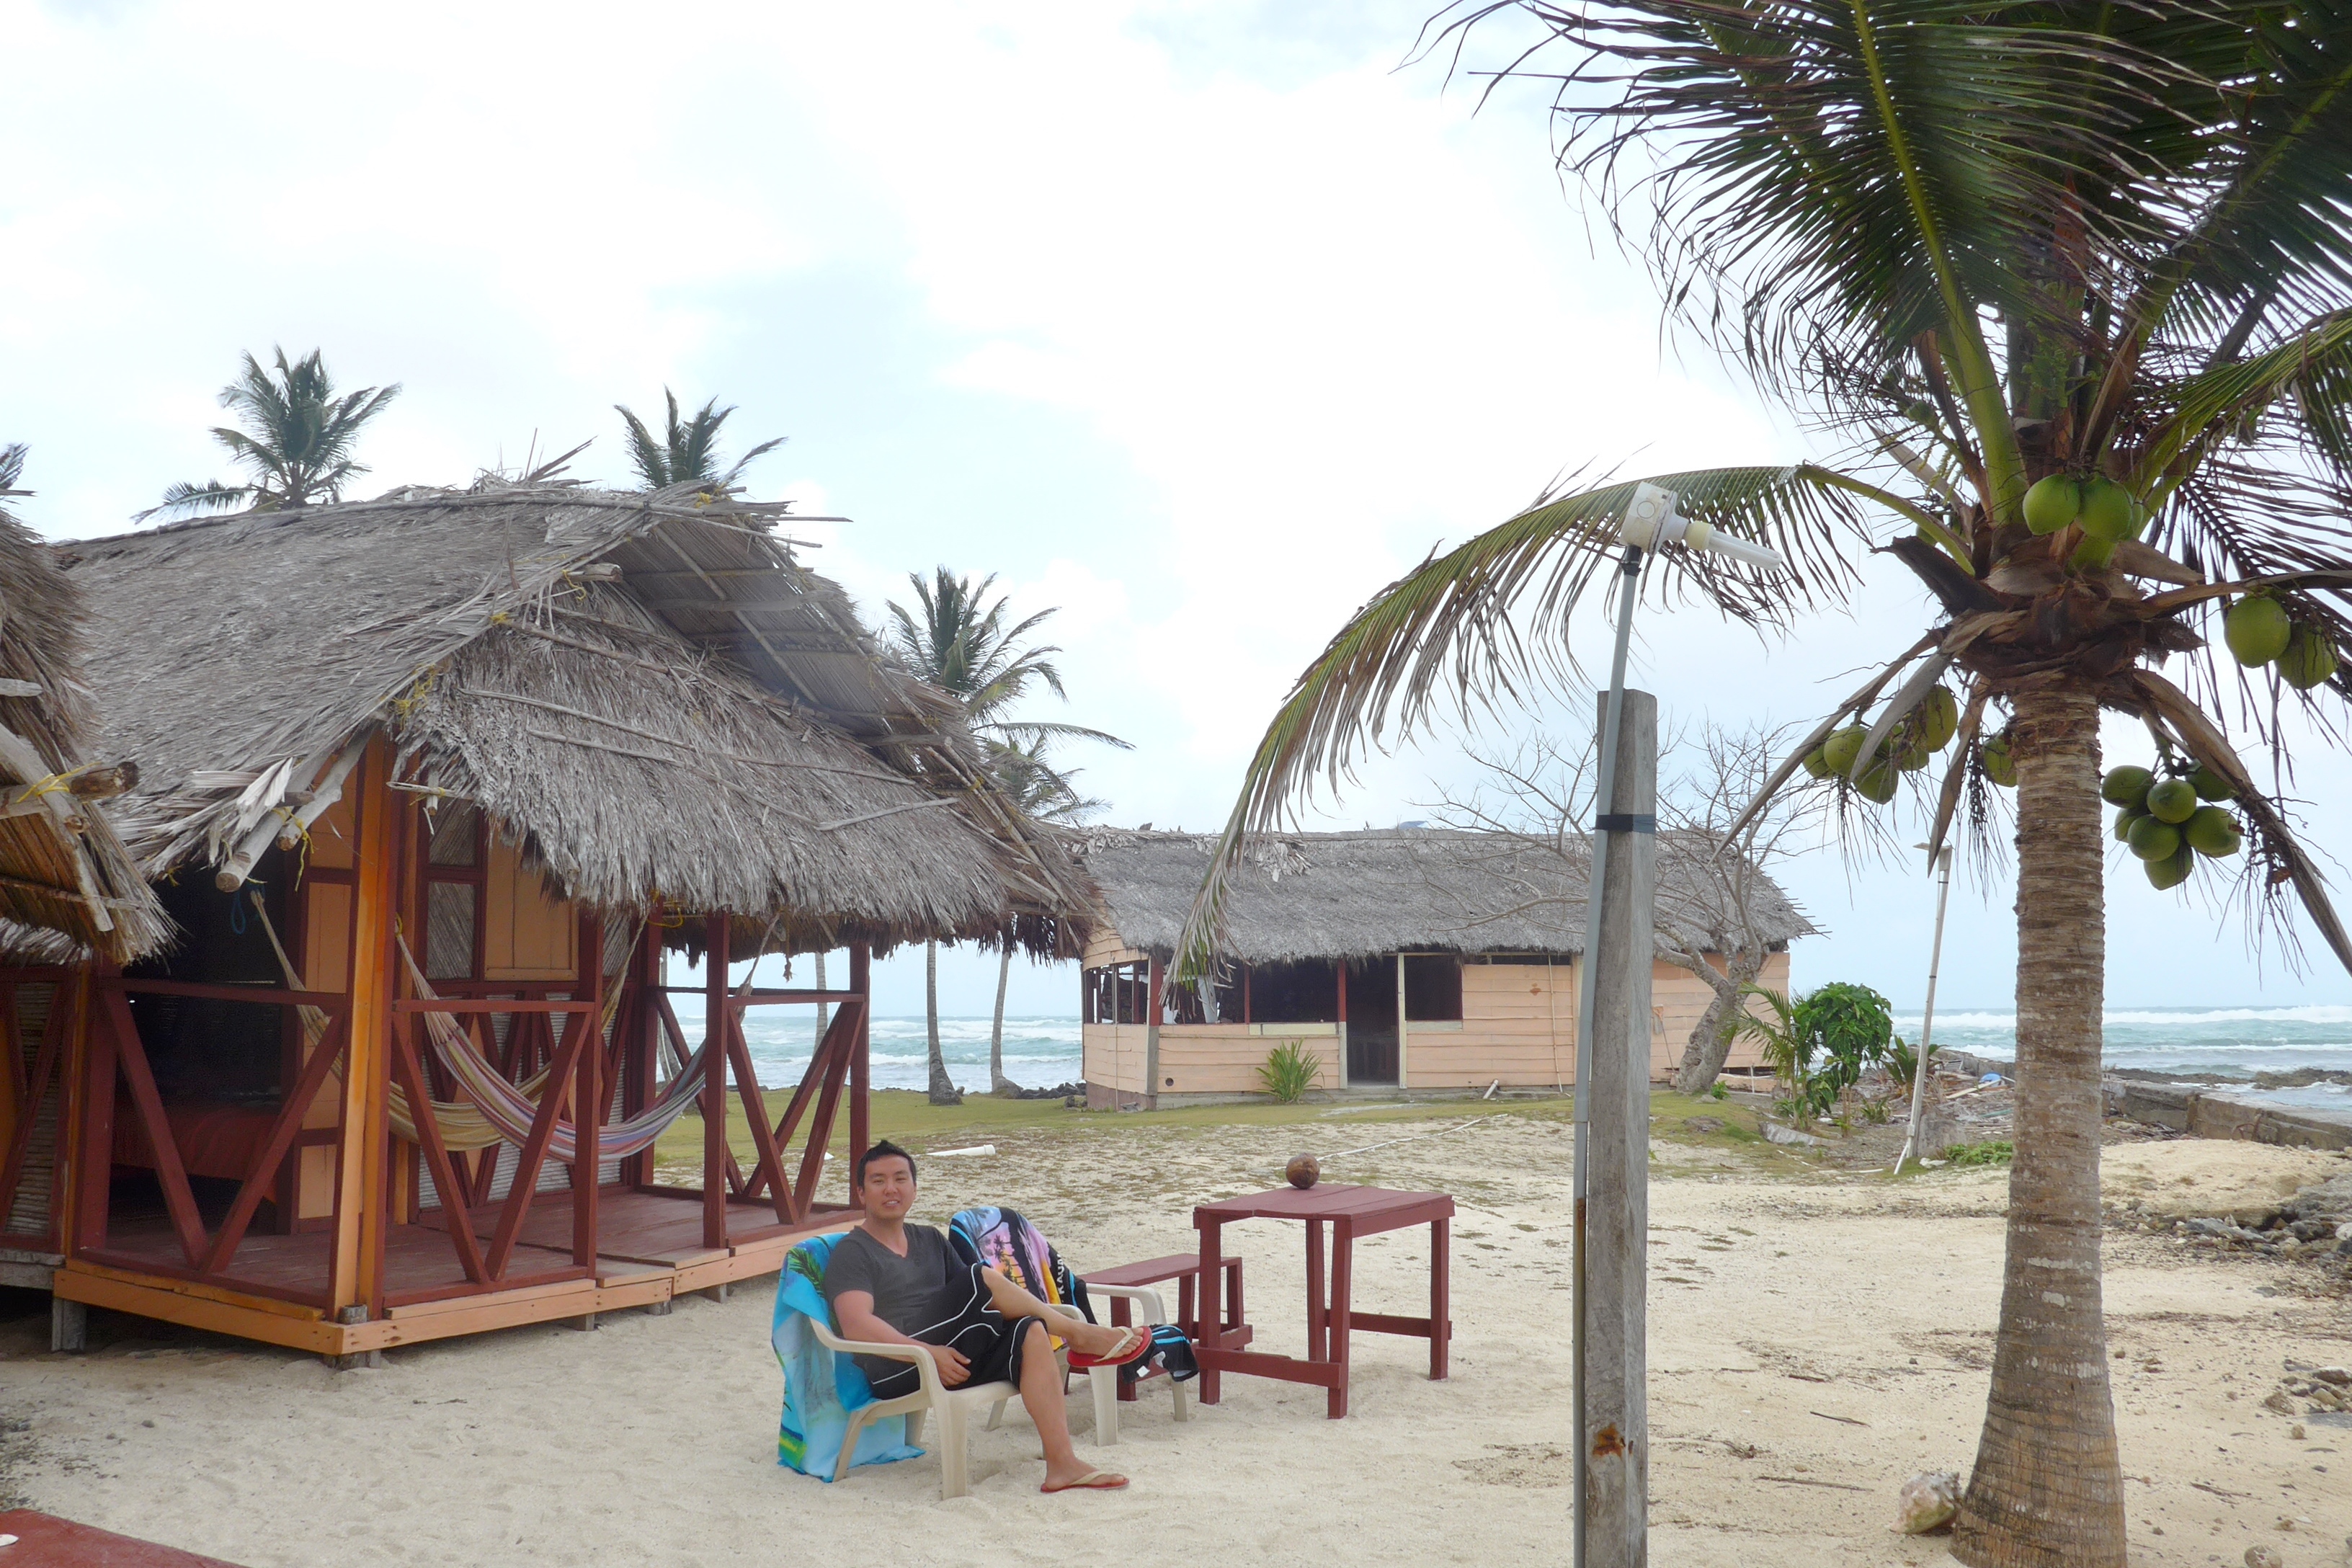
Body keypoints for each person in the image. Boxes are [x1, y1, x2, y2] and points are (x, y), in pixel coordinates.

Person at [822, 1140, 1148, 1493]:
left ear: (914, 1188)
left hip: (952, 1356)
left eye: (901, 1178)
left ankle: (1062, 1464)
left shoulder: (929, 1239)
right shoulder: (853, 1252)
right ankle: (1080, 1334)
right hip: (898, 1366)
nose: (891, 1189)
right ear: (860, 1193)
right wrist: (928, 1353)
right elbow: (856, 1325)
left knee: (1030, 1331)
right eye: (878, 1181)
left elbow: (979, 1304)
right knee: (981, 1278)